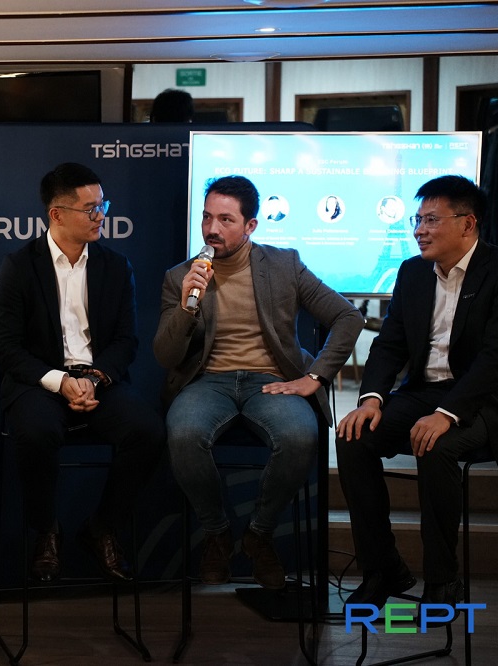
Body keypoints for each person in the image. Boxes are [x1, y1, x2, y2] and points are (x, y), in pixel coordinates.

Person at [154, 175, 363, 589]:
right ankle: (217, 534)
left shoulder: (284, 265)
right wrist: (186, 308)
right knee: (183, 434)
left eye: (226, 220)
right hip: (208, 381)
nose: (212, 229)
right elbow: (165, 356)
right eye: (207, 217)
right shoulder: (181, 276)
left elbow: (347, 317)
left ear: (251, 225)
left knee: (300, 436)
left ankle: (259, 534)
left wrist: (315, 377)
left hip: (271, 379)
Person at [336, 175, 498, 610]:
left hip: (488, 399)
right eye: (417, 220)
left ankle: (443, 580)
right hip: (424, 391)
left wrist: (447, 414)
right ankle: (383, 568)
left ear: (468, 224)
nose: (419, 230)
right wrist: (371, 399)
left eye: (431, 220)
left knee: (437, 446)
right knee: (352, 438)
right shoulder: (413, 272)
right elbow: (390, 344)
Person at [0, 162, 166, 583]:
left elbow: (126, 341)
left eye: (103, 205)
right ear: (57, 214)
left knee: (148, 431)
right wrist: (62, 382)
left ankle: (102, 527)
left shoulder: (115, 266)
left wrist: (94, 379)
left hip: (98, 380)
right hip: (39, 382)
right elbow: (6, 347)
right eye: (90, 209)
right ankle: (46, 531)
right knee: (36, 432)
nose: (100, 216)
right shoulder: (20, 266)